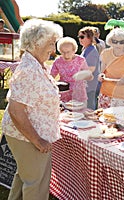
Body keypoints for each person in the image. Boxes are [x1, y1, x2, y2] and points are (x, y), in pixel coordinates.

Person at [1, 18, 63, 200]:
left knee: (25, 177)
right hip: (28, 136)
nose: (54, 49)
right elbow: (16, 110)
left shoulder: (36, 65)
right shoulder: (29, 69)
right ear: (37, 43)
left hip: (33, 133)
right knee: (36, 185)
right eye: (51, 43)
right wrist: (37, 140)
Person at [98, 28, 124, 108]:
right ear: (110, 41)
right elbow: (102, 72)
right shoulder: (105, 53)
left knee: (122, 119)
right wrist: (100, 76)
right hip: (106, 94)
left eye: (122, 42)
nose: (118, 44)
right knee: (103, 118)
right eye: (115, 41)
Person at [51, 36, 92, 104]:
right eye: (63, 52)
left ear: (74, 50)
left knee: (80, 112)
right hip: (64, 92)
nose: (66, 55)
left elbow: (89, 75)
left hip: (79, 92)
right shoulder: (58, 61)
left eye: (68, 52)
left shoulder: (81, 60)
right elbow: (51, 77)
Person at [78, 26, 101, 110]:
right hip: (87, 84)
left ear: (89, 38)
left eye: (82, 37)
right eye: (79, 37)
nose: (80, 39)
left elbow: (91, 69)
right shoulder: (86, 49)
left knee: (90, 107)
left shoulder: (91, 50)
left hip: (91, 85)